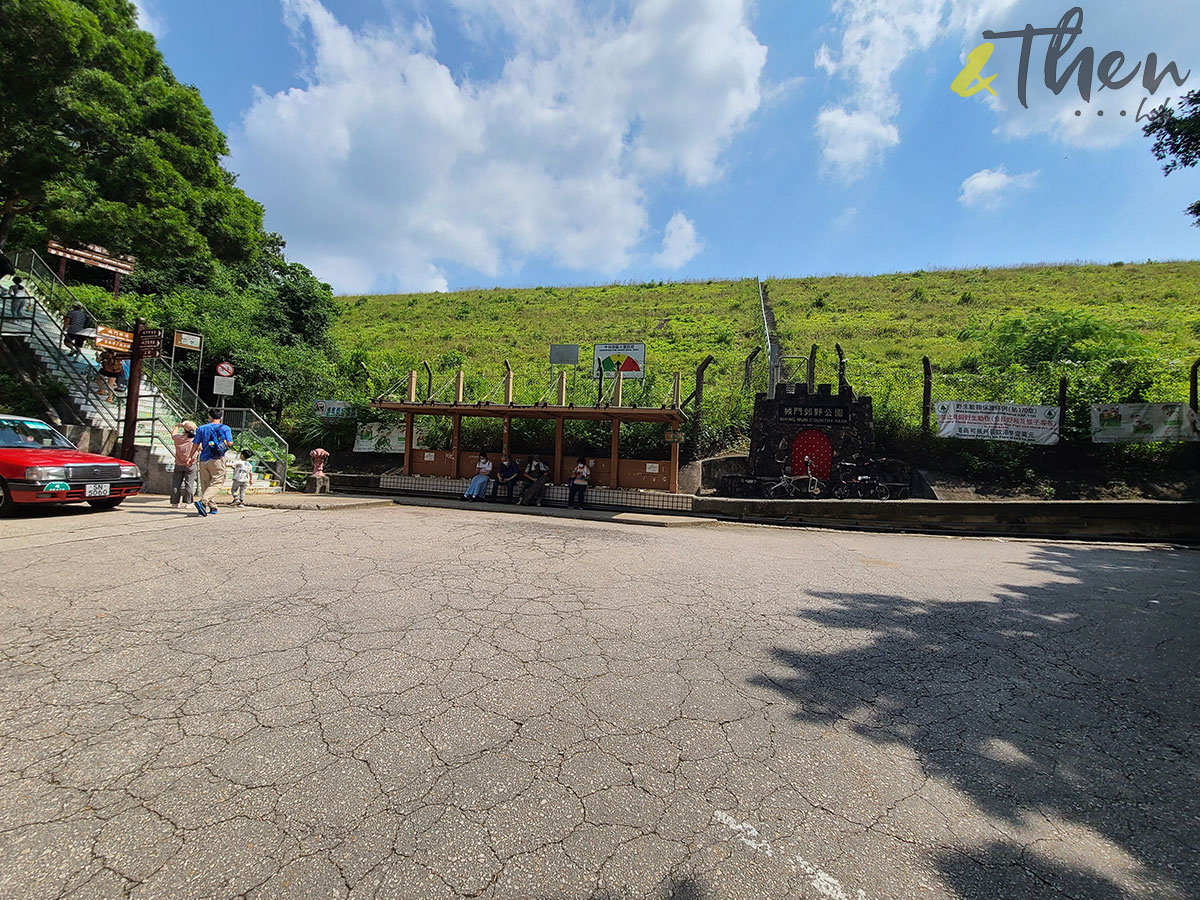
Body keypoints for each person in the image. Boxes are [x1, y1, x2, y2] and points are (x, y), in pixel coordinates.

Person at [191, 408, 233, 517]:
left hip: (203, 459)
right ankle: (203, 502)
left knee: (206, 483)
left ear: (209, 417)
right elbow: (229, 442)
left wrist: (190, 456)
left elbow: (195, 443)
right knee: (217, 482)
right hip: (217, 459)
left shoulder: (201, 428)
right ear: (221, 417)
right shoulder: (225, 428)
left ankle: (212, 506)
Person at [169, 420, 198, 509]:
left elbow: (173, 434)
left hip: (178, 463)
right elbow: (200, 448)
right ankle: (188, 502)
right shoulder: (194, 439)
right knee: (189, 483)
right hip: (191, 463)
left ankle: (175, 502)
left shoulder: (178, 438)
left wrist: (178, 426)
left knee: (176, 484)